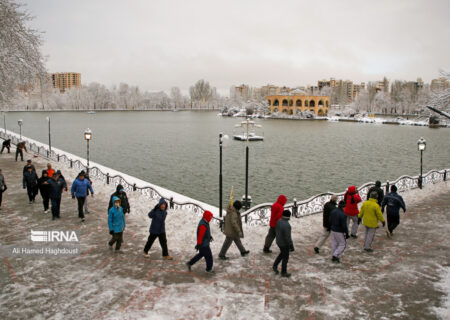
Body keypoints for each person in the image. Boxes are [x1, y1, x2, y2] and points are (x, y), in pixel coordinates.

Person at [273, 210, 294, 278]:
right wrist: (291, 245)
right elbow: (287, 237)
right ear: (288, 216)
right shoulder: (287, 225)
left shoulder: (278, 221)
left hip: (279, 241)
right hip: (284, 244)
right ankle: (283, 272)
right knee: (285, 258)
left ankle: (275, 265)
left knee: (282, 254)